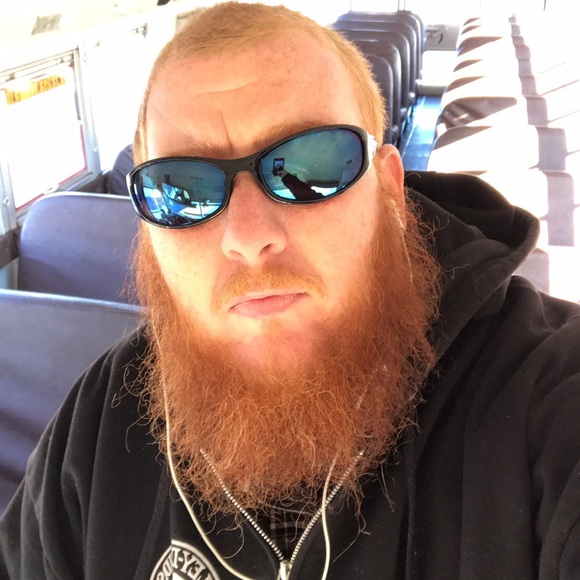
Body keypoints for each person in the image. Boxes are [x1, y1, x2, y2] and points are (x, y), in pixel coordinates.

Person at [1, 3, 580, 579]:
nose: (248, 238)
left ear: (390, 188)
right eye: (183, 190)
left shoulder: (547, 397)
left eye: (309, 166)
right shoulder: (102, 421)